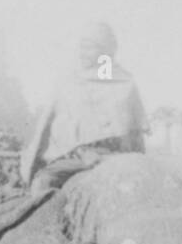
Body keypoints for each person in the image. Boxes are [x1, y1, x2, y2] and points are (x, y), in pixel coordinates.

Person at [19, 22, 148, 196]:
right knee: (43, 182)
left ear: (105, 51)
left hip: (118, 157)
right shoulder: (70, 83)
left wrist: (136, 161)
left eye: (90, 48)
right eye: (81, 47)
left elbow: (136, 134)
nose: (83, 54)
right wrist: (82, 153)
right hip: (77, 157)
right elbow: (61, 131)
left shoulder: (126, 84)